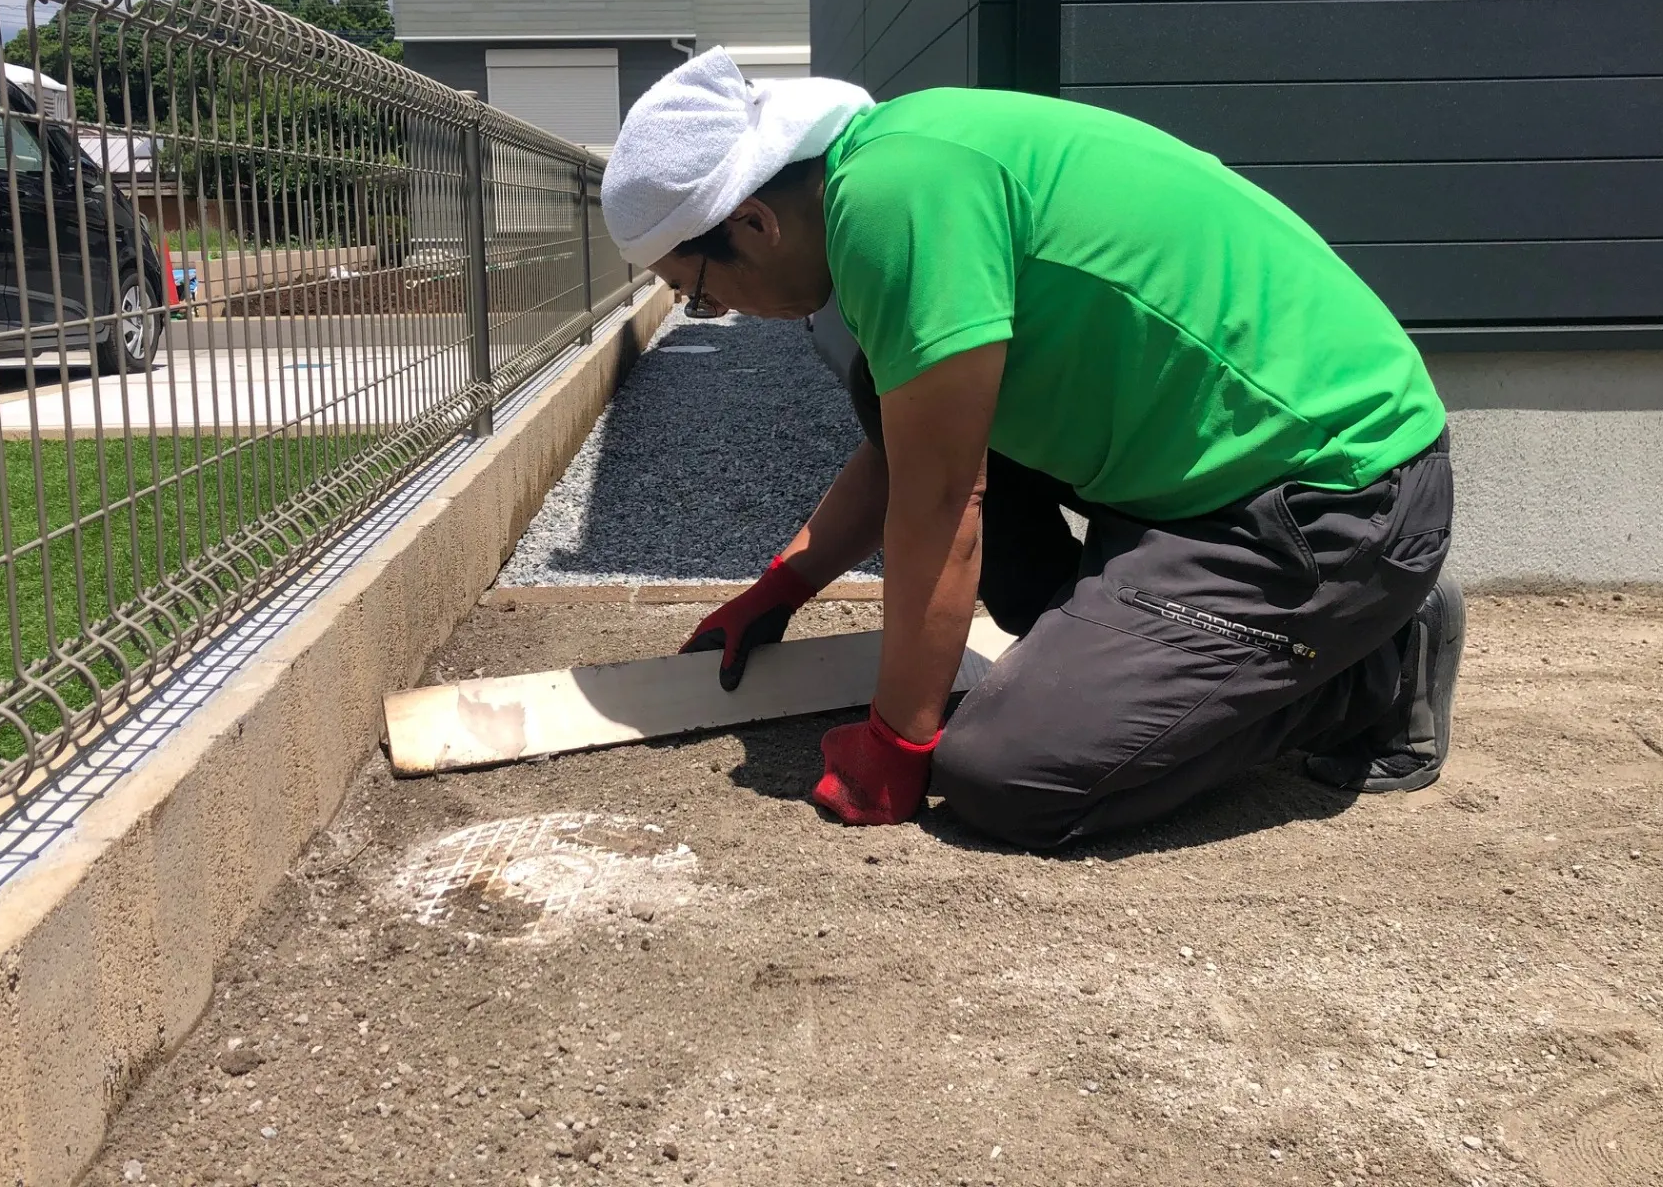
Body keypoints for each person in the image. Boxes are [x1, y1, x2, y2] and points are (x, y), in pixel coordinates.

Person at [598, 48, 1461, 850]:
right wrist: (784, 586)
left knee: (1006, 773)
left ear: (752, 223)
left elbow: (942, 500)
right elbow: (914, 448)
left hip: (1332, 497)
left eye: (700, 294)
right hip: (1212, 468)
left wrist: (898, 741)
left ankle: (1370, 671)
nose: (718, 315)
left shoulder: (895, 203)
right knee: (885, 388)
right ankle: (1151, 658)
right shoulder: (887, 161)